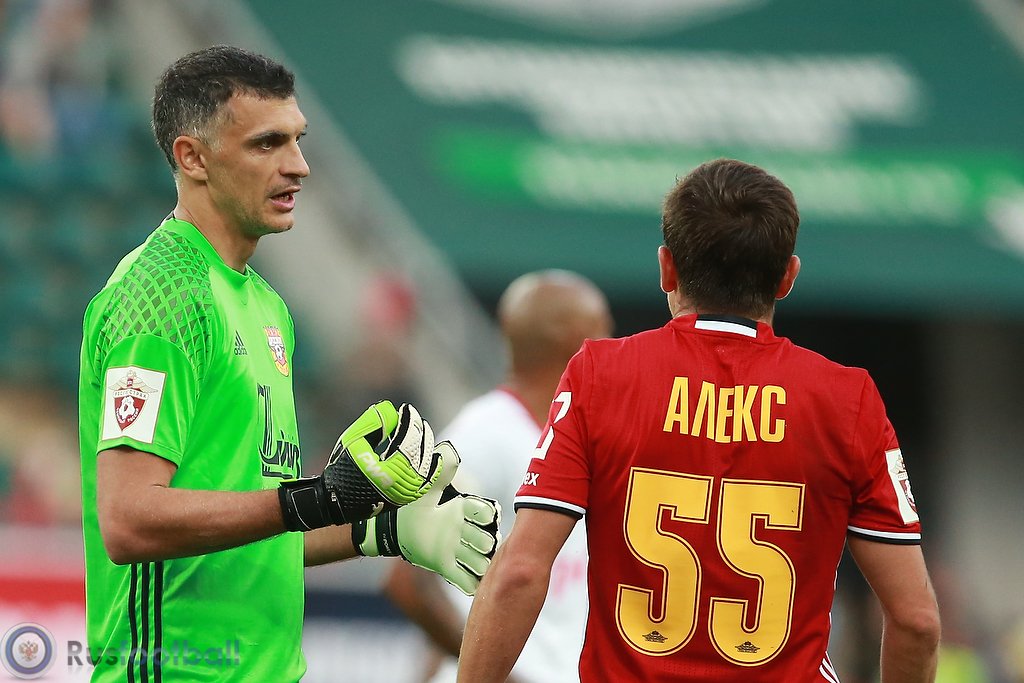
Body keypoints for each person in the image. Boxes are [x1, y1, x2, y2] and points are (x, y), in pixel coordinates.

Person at [78, 45, 499, 683]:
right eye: (267, 143)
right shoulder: (160, 297)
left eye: (298, 140)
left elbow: (249, 528)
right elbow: (130, 522)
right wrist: (316, 497)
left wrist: (378, 531)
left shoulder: (267, 305)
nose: (298, 165)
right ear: (193, 157)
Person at [457, 159, 942, 682]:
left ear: (666, 268)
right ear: (787, 277)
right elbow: (916, 621)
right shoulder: (847, 399)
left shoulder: (601, 374)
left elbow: (521, 572)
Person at [383, 270, 613, 683]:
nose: (612, 344)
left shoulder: (578, 435)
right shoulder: (483, 432)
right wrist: (498, 675)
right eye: (603, 330)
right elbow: (408, 580)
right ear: (572, 339)